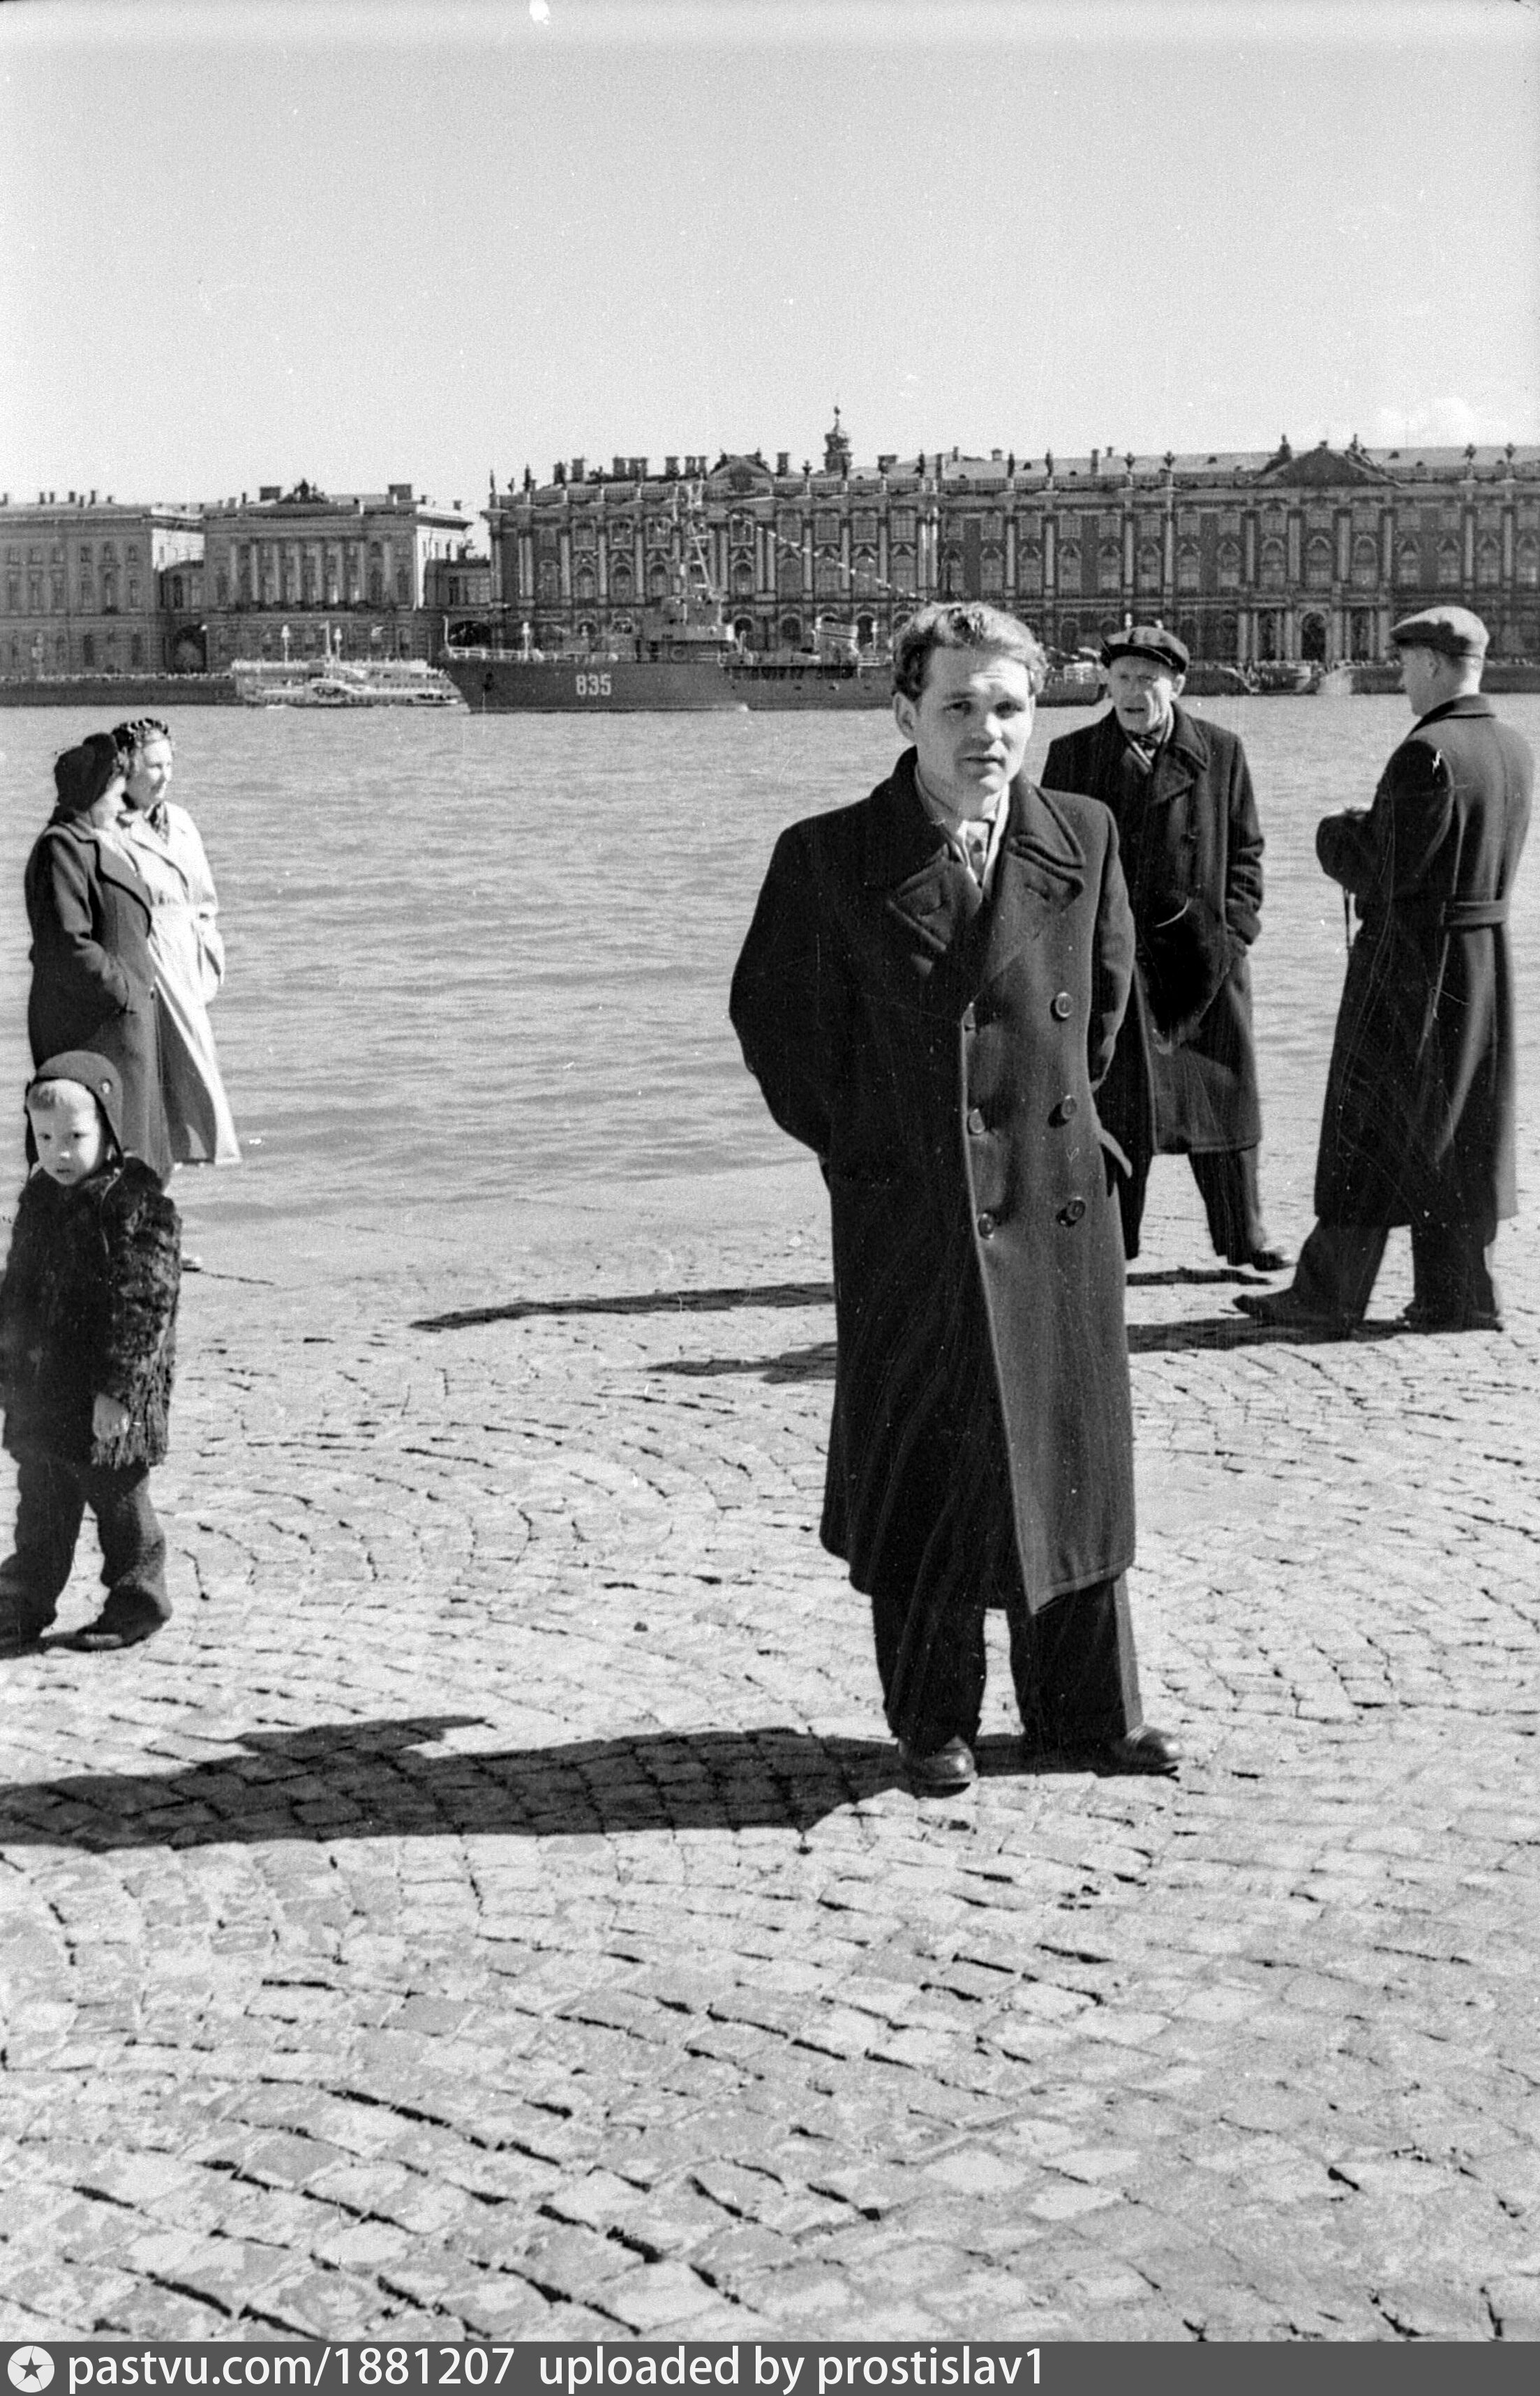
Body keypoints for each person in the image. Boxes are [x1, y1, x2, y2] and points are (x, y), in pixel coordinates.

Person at [730, 601, 1177, 1794]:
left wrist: (1073, 1143)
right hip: (911, 1206)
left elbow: (1109, 1010)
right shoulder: (826, 853)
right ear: (904, 714)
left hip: (1054, 1196)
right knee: (927, 1454)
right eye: (959, 706)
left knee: (1067, 1455)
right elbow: (777, 1030)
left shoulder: (1082, 833)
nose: (988, 732)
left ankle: (1090, 1712)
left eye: (1010, 707)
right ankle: (933, 1718)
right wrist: (870, 1150)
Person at [1239, 606, 1532, 1334]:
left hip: (1409, 962)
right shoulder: (1511, 745)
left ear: (1430, 663)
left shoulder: (1424, 752)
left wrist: (1334, 835)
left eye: (1404, 665)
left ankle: (1326, 1297)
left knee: (1366, 1123)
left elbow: (1383, 868)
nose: (1400, 679)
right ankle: (1460, 1295)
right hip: (1482, 962)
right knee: (1460, 1127)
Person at [1042, 625, 1287, 1272]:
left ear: (1176, 685)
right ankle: (1111, 1243)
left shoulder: (1221, 751)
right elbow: (1053, 862)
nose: (1132, 693)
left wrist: (1235, 932)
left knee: (1224, 1101)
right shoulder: (1073, 755)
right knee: (1119, 1104)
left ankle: (1245, 1236)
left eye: (1147, 680)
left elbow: (1246, 851)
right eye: (1121, 679)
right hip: (1115, 960)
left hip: (1205, 959)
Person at [0, 1053, 181, 1656]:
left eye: (75, 1137)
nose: (59, 1153)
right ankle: (21, 1602)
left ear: (109, 1130)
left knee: (118, 1503)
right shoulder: (40, 1199)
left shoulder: (135, 1204)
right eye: (45, 1138)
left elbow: (145, 1305)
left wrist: (118, 1391)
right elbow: (18, 1291)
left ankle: (138, 1602)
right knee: (41, 1505)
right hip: (43, 1389)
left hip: (107, 1393)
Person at [24, 735, 172, 1183]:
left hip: (117, 1028)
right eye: (114, 793)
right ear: (92, 795)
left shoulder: (88, 843)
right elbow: (67, 946)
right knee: (100, 1163)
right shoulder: (62, 847)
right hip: (96, 1031)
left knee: (128, 1162)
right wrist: (124, 989)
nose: (120, 803)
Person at [112, 718, 241, 1166]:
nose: (164, 775)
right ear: (126, 767)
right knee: (158, 1080)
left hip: (188, 962)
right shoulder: (110, 829)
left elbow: (206, 900)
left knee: (197, 1077)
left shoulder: (183, 822)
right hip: (146, 962)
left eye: (169, 764)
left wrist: (210, 955)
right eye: (153, 766)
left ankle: (197, 1173)